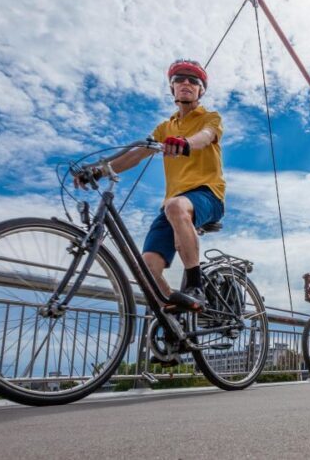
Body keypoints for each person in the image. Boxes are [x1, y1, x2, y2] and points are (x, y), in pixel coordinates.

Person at [76, 59, 224, 315]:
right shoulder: (165, 127)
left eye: (194, 81)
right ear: (172, 89)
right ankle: (176, 323)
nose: (186, 83)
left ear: (201, 90)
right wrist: (99, 170)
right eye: (179, 79)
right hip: (172, 206)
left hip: (207, 195)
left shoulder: (210, 117)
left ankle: (195, 285)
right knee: (145, 269)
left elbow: (205, 137)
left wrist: (185, 142)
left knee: (176, 206)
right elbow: (137, 153)